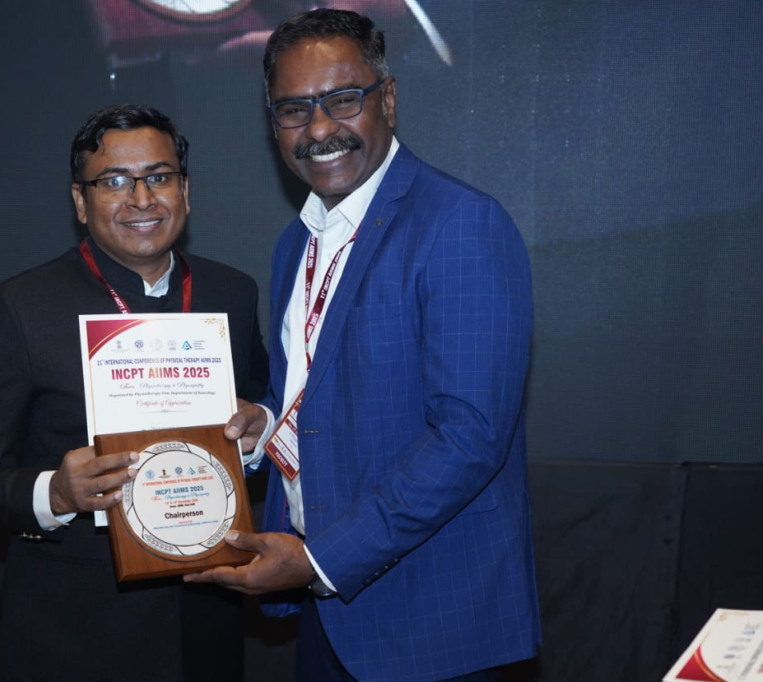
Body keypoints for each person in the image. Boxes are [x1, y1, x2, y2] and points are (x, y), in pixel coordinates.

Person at [186, 9, 541, 681]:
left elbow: (469, 437)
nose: (319, 129)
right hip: (326, 614)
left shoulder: (460, 225)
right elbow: (315, 396)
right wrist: (265, 421)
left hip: (433, 625)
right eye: (294, 110)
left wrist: (320, 561)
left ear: (389, 99)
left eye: (342, 99)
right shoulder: (296, 244)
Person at [0, 103, 268, 681]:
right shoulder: (22, 307)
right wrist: (56, 493)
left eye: (159, 177)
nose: (142, 199)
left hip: (205, 623)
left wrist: (257, 432)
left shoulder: (232, 292)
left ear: (185, 190)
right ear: (80, 201)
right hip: (74, 635)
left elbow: (263, 407)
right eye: (114, 181)